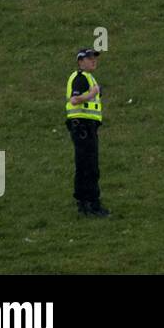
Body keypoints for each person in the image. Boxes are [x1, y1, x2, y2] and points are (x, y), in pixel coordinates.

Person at [66, 48, 109, 217]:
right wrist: (91, 94)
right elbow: (74, 99)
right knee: (87, 167)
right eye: (89, 58)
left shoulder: (89, 78)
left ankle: (88, 203)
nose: (93, 60)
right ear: (80, 61)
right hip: (82, 127)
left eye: (94, 57)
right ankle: (89, 204)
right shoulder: (80, 78)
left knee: (89, 166)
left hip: (87, 127)